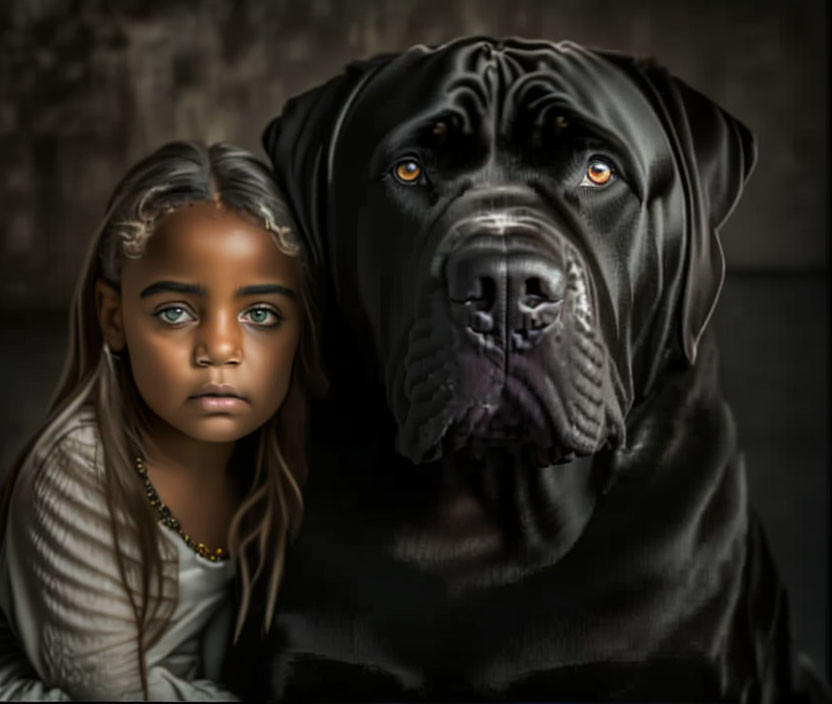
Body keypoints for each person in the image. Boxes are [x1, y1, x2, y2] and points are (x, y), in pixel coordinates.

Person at [0, 141, 326, 700]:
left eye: (261, 314)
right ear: (113, 318)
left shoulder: (284, 459)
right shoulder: (80, 471)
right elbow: (107, 691)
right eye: (175, 312)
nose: (220, 349)